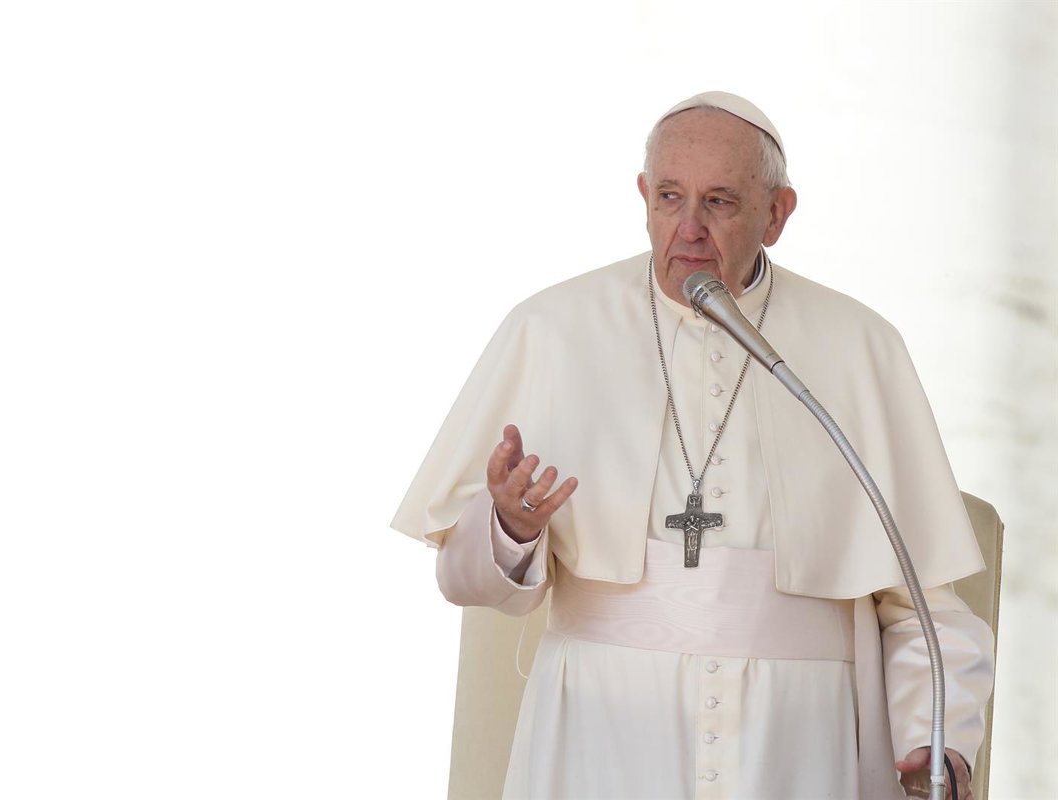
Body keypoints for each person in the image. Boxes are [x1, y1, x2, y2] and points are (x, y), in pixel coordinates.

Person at [392, 91, 994, 799]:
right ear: (643, 196)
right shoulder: (551, 329)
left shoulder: (859, 346)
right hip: (600, 732)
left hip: (799, 745)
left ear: (776, 215)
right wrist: (508, 528)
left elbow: (924, 607)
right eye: (670, 197)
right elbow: (462, 581)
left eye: (719, 202)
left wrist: (940, 744)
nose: (689, 229)